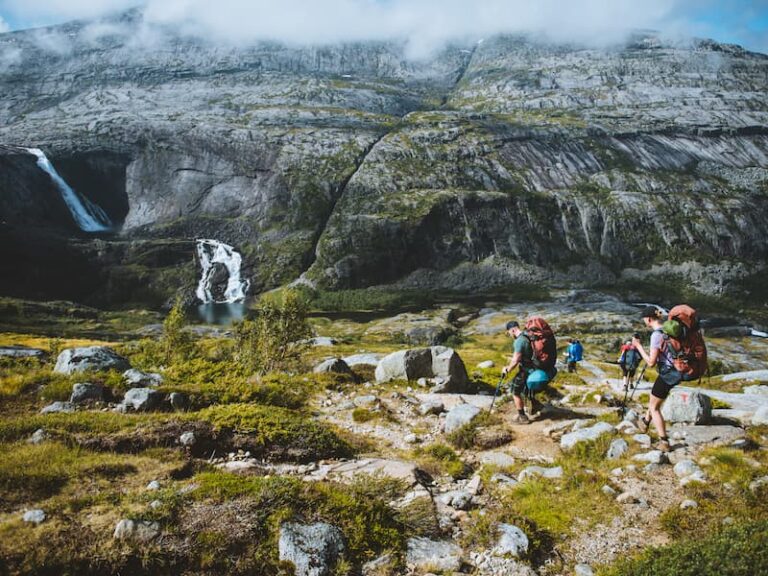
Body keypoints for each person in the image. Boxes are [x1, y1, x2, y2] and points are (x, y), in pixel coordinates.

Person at [632, 306, 675, 453]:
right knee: (653, 397)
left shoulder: (656, 335)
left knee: (654, 407)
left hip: (668, 374)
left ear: (649, 319)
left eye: (644, 319)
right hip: (673, 371)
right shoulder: (668, 330)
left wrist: (638, 346)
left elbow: (651, 362)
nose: (644, 321)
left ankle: (664, 441)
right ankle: (645, 422)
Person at [501, 320, 544, 424]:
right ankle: (535, 405)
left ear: (513, 329)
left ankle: (522, 417)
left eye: (509, 333)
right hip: (535, 368)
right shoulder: (528, 336)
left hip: (526, 370)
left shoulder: (519, 341)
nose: (510, 335)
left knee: (515, 392)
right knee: (525, 389)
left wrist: (507, 369)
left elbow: (516, 360)